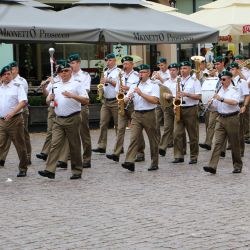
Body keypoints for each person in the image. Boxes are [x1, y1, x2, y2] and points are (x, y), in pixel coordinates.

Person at [38, 62, 89, 179]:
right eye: (61, 71)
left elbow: (86, 100)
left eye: (66, 71)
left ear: (71, 71)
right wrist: (48, 98)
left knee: (74, 145)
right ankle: (49, 170)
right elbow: (49, 101)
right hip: (58, 119)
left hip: (73, 117)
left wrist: (73, 96)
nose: (64, 73)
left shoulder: (77, 84)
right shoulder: (55, 85)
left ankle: (76, 171)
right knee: (55, 144)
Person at [106, 56, 145, 162]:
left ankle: (140, 152)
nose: (125, 66)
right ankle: (116, 153)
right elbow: (116, 89)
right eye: (123, 64)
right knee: (120, 129)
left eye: (127, 64)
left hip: (133, 104)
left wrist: (128, 88)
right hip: (122, 103)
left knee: (136, 130)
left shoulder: (137, 76)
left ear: (132, 64)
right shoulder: (121, 76)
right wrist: (119, 94)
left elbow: (140, 88)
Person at [121, 64, 160, 172]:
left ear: (148, 73)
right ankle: (129, 161)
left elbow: (155, 100)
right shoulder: (134, 85)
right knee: (134, 138)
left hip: (149, 114)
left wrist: (141, 94)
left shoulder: (154, 85)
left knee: (153, 139)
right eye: (140, 72)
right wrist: (127, 98)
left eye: (143, 72)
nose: (141, 74)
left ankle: (154, 162)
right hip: (136, 114)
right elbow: (124, 100)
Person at [203, 71, 243, 174]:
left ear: (230, 79)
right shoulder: (219, 89)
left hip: (232, 118)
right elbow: (216, 105)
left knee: (234, 144)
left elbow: (234, 102)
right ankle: (212, 166)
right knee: (217, 143)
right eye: (221, 79)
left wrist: (221, 98)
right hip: (220, 118)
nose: (222, 81)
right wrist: (210, 104)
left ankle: (237, 165)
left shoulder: (235, 89)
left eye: (224, 79)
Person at [36, 59, 69, 168]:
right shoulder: (53, 79)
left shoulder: (67, 81)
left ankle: (64, 158)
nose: (59, 71)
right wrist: (44, 87)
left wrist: (54, 82)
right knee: (50, 131)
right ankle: (45, 153)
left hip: (63, 109)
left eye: (61, 69)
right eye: (58, 69)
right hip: (53, 108)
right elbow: (47, 95)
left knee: (64, 134)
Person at [0, 61, 31, 166]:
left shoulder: (18, 86)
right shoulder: (0, 88)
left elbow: (23, 102)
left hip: (15, 120)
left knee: (20, 145)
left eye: (9, 74)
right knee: (1, 143)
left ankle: (23, 167)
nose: (7, 76)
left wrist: (12, 112)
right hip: (2, 121)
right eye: (4, 74)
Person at [172, 61, 201, 164]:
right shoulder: (177, 80)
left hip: (191, 109)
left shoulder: (195, 81)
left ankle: (193, 156)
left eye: (184, 68)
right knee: (177, 134)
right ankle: (179, 156)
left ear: (189, 69)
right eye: (181, 68)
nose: (182, 70)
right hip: (179, 107)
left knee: (192, 135)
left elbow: (198, 96)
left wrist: (186, 94)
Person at [92, 53, 120, 153]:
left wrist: (109, 81)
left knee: (118, 124)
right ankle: (102, 146)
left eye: (110, 60)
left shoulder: (119, 72)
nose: (108, 62)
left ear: (115, 60)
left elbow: (120, 86)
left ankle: (119, 147)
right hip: (106, 101)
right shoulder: (105, 71)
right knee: (103, 123)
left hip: (116, 101)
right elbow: (102, 84)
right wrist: (100, 87)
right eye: (107, 60)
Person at [68, 53, 92, 168]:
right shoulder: (67, 74)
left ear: (78, 63)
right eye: (70, 63)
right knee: (71, 133)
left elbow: (86, 90)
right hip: (70, 106)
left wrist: (73, 92)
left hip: (81, 106)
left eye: (73, 63)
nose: (71, 65)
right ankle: (70, 156)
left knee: (84, 133)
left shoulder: (85, 75)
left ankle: (87, 158)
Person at [229, 62, 249, 157]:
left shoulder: (242, 82)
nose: (231, 71)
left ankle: (240, 150)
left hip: (239, 105)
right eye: (230, 69)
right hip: (229, 106)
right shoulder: (228, 81)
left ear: (237, 70)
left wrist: (244, 106)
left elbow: (247, 95)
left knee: (239, 129)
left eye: (233, 69)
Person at [158, 63, 178, 156]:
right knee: (167, 127)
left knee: (178, 130)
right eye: (170, 70)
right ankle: (162, 147)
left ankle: (182, 149)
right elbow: (162, 94)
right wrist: (165, 96)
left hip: (178, 106)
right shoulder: (166, 83)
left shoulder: (180, 81)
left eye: (174, 70)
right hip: (168, 107)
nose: (172, 72)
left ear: (177, 71)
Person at [152, 57, 171, 145]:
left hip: (167, 100)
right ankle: (158, 141)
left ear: (166, 64)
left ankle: (169, 141)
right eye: (159, 65)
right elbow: (152, 85)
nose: (161, 67)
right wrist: (153, 78)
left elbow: (169, 87)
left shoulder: (170, 73)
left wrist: (160, 79)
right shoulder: (157, 73)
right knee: (156, 123)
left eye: (162, 65)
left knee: (168, 124)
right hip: (159, 100)